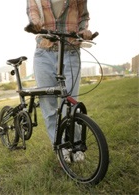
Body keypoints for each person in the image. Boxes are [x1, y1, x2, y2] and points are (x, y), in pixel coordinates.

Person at [26, 0, 92, 147]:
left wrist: (84, 30)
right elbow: (33, 12)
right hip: (44, 53)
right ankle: (60, 148)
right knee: (49, 107)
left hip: (70, 51)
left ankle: (75, 145)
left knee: (70, 104)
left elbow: (83, 16)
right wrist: (35, 23)